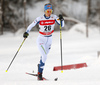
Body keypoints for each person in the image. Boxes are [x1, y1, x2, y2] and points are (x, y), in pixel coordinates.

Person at [23, 3, 64, 80]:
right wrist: (26, 32)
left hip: (49, 39)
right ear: (44, 11)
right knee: (44, 56)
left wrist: (62, 19)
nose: (49, 13)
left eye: (50, 11)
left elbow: (62, 25)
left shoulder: (54, 17)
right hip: (41, 39)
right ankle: (40, 74)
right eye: (48, 11)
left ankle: (39, 67)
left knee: (44, 57)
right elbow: (31, 25)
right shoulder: (40, 18)